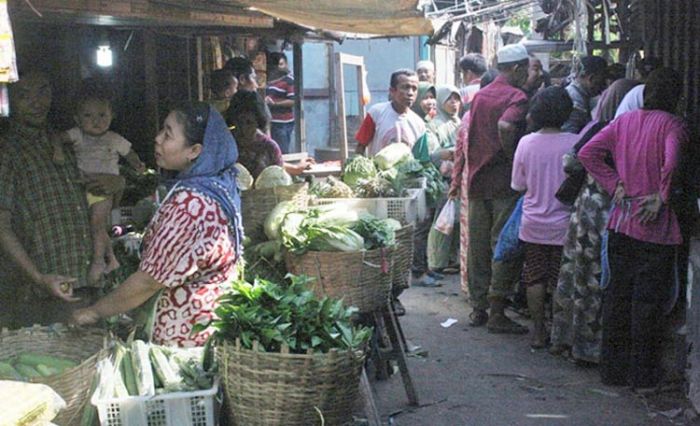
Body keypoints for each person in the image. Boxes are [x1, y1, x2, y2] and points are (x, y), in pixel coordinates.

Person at [73, 103, 244, 347]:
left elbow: (148, 281)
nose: (157, 139)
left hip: (185, 337)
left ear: (194, 150)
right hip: (205, 324)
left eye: (168, 134)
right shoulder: (214, 184)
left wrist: (95, 311)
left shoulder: (192, 205)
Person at [578, 68, 687, 389]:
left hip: (621, 223)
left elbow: (587, 152)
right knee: (648, 303)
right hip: (656, 229)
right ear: (676, 96)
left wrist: (615, 185)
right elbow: (674, 159)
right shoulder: (674, 126)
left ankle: (612, 372)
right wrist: (663, 196)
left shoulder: (623, 121)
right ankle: (643, 376)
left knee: (618, 296)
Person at [0, 72, 124, 328]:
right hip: (41, 292)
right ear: (9, 97)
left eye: (43, 91)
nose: (37, 102)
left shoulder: (68, 142)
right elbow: (2, 226)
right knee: (49, 364)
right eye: (24, 95)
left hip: (87, 280)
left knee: (90, 361)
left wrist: (118, 183)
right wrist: (38, 278)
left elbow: (101, 188)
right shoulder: (8, 151)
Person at [550, 78, 641, 364]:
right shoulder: (630, 132)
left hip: (587, 210)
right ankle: (593, 349)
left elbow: (570, 162)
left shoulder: (600, 127)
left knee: (579, 273)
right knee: (600, 278)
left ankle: (567, 340)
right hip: (611, 212)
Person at [450, 43, 530, 334]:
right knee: (503, 244)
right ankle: (497, 312)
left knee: (478, 245)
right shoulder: (516, 96)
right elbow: (508, 127)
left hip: (477, 181)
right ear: (517, 68)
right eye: (526, 70)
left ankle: (478, 308)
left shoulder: (481, 95)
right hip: (503, 181)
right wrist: (512, 159)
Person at [53, 83, 146, 285]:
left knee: (97, 224)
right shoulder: (78, 135)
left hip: (105, 188)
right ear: (77, 119)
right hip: (83, 187)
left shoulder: (113, 139)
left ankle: (97, 262)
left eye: (102, 115)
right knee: (98, 225)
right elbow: (57, 139)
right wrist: (58, 152)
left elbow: (129, 153)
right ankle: (111, 259)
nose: (96, 121)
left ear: (111, 116)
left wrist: (137, 164)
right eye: (88, 116)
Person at [510, 86, 577, 348]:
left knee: (534, 277)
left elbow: (518, 185)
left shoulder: (526, 143)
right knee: (561, 279)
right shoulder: (575, 141)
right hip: (565, 224)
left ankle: (538, 333)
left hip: (533, 223)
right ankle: (561, 336)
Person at [417, 86, 462, 287]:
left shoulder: (459, 122)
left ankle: (450, 260)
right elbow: (433, 154)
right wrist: (452, 153)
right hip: (442, 180)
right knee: (440, 225)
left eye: (457, 99)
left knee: (454, 223)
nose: (454, 103)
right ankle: (435, 263)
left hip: (457, 177)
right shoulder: (433, 125)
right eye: (450, 99)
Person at [226, 91, 312, 178]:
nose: (243, 128)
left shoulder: (269, 147)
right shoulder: (226, 144)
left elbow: (279, 176)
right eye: (239, 122)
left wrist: (296, 168)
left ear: (258, 121)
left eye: (249, 123)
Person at [355, 69, 425, 156]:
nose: (410, 93)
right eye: (405, 87)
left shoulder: (419, 124)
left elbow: (420, 158)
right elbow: (360, 146)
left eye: (414, 89)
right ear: (392, 91)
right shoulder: (376, 113)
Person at [561, 56, 609, 133]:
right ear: (591, 78)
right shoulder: (574, 100)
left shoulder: (583, 96)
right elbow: (569, 134)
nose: (604, 85)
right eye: (602, 80)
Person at [225, 56, 272, 134]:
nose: (256, 85)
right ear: (242, 79)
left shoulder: (216, 110)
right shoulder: (253, 101)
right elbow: (264, 128)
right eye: (253, 78)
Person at [265, 52, 295, 154]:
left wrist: (274, 104)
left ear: (286, 64)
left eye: (281, 64)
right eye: (276, 65)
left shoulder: (289, 80)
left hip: (283, 123)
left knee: (282, 152)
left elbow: (292, 101)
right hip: (271, 122)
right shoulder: (268, 80)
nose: (279, 67)